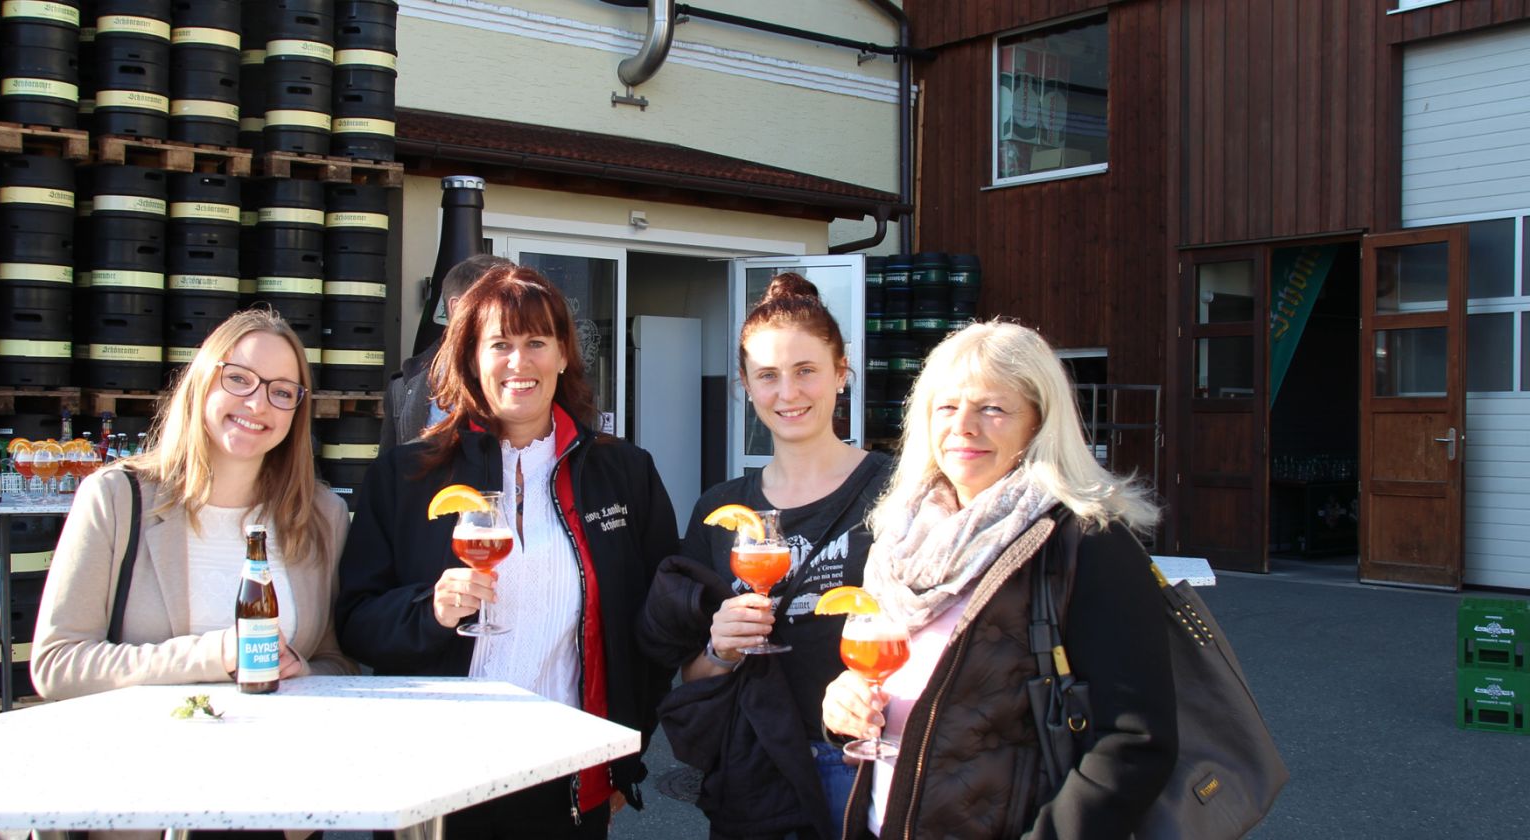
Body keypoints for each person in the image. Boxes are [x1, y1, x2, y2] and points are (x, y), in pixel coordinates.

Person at [336, 264, 679, 839]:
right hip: (437, 780)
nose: (519, 363)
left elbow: (652, 630)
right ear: (471, 357)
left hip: (567, 770)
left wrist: (625, 757)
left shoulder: (624, 474)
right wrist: (432, 610)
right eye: (500, 344)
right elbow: (353, 622)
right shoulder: (406, 477)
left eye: (537, 342)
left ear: (564, 355)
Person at [821, 321, 1178, 840]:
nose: (963, 426)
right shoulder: (901, 534)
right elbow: (896, 685)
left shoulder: (1086, 540)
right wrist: (845, 702)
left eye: (992, 408)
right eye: (946, 407)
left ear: (1038, 422)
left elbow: (1134, 743)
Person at [638, 273, 891, 840]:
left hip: (865, 766)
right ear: (746, 387)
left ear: (841, 374)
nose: (788, 393)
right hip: (757, 770)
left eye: (806, 371)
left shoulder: (895, 491)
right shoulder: (722, 508)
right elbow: (691, 673)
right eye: (768, 376)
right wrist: (720, 648)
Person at [32, 308, 357, 702]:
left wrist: (301, 669)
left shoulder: (322, 515)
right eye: (238, 379)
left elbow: (337, 662)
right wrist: (213, 655)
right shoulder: (115, 498)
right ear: (202, 382)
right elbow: (57, 664)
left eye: (282, 391)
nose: (258, 404)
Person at [381, 253, 514, 449]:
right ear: (456, 307)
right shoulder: (403, 387)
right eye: (495, 303)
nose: (511, 312)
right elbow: (388, 473)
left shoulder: (531, 378)